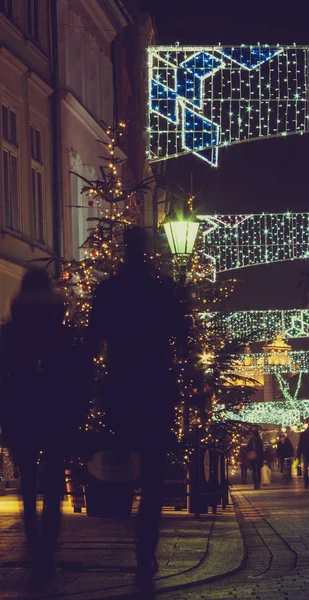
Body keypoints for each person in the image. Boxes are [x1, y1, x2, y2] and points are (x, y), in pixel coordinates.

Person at [87, 226, 184, 586]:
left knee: (124, 469)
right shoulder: (163, 291)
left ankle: (137, 542)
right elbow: (182, 337)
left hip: (121, 390)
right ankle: (146, 547)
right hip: (156, 389)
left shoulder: (109, 291)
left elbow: (92, 340)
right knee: (154, 472)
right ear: (148, 252)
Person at [0, 269, 87, 584]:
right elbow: (78, 378)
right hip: (56, 413)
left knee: (26, 483)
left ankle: (34, 542)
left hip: (21, 411)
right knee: (52, 482)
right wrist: (78, 413)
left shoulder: (10, 333)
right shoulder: (62, 332)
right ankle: (47, 548)